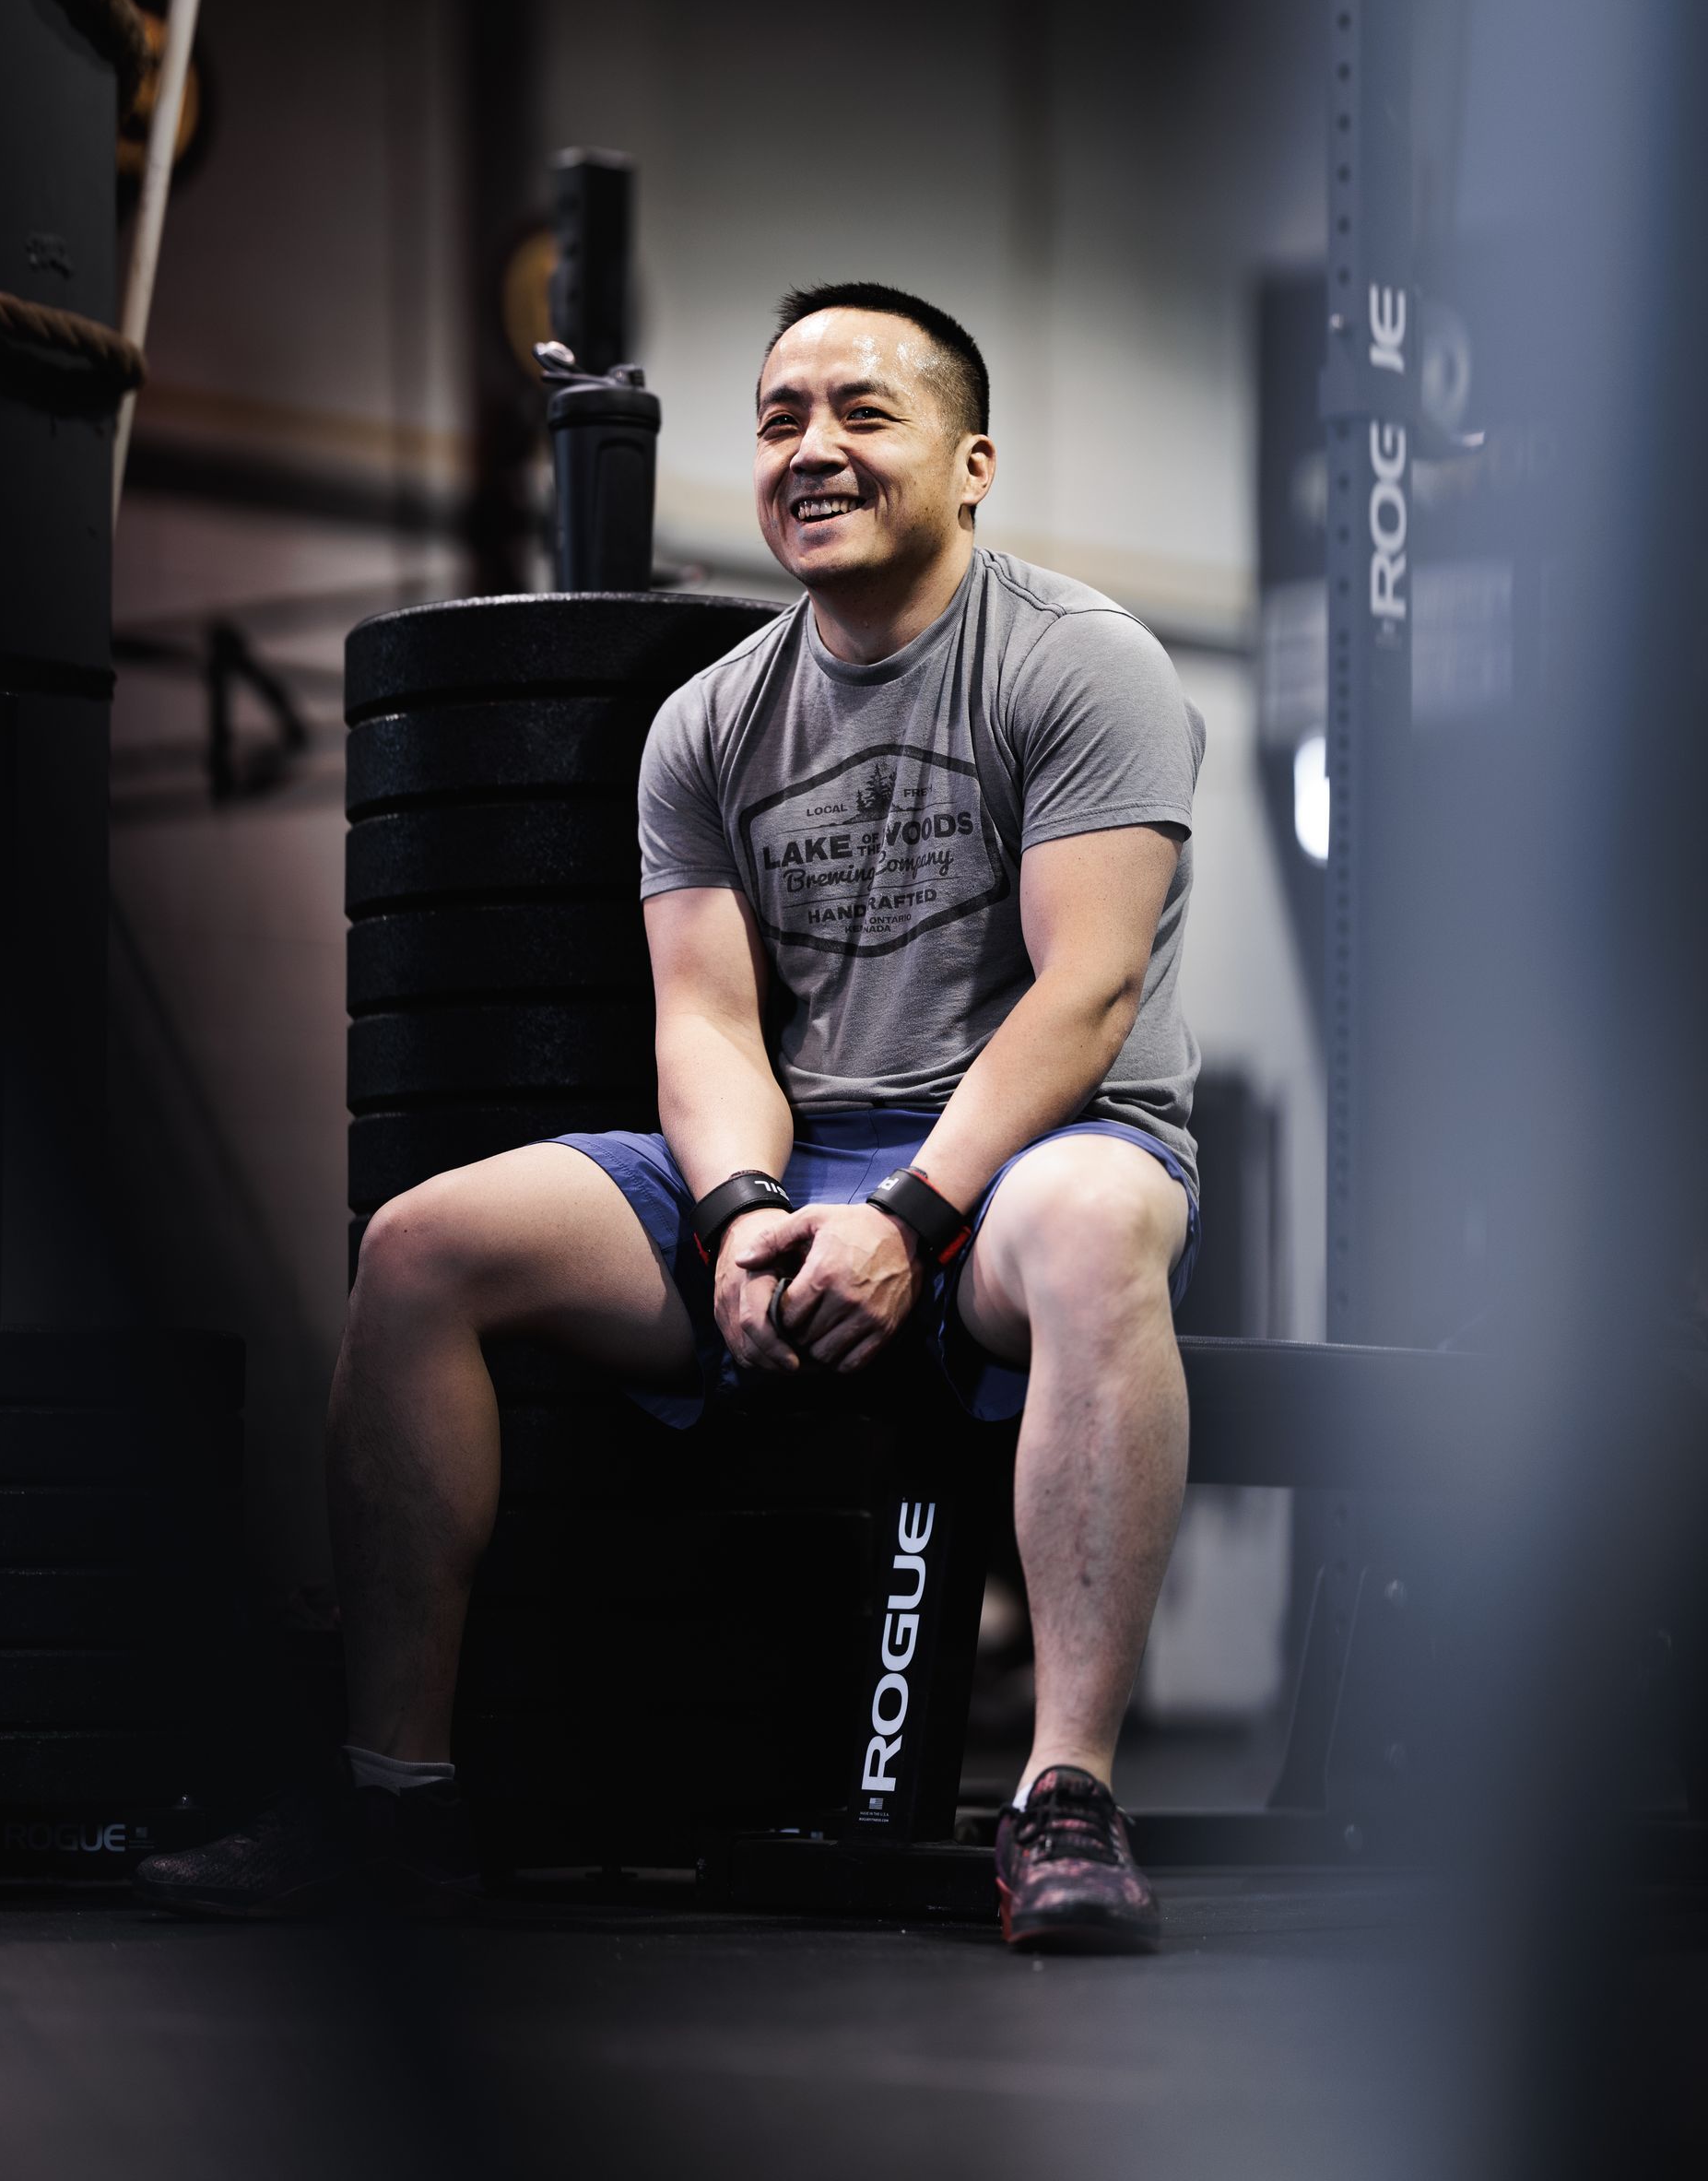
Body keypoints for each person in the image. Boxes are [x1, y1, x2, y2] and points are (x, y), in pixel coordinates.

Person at [138, 281, 1206, 1951]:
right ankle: (393, 1801)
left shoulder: (1082, 665)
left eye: (864, 412)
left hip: (1031, 1160)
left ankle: (1064, 1799)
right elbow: (705, 1018)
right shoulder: (707, 724)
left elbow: (1087, 998)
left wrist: (910, 1219)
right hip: (808, 1161)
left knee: (1084, 1230)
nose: (814, 449)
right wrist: (737, 1219)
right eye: (781, 418)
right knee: (421, 1245)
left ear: (974, 460)